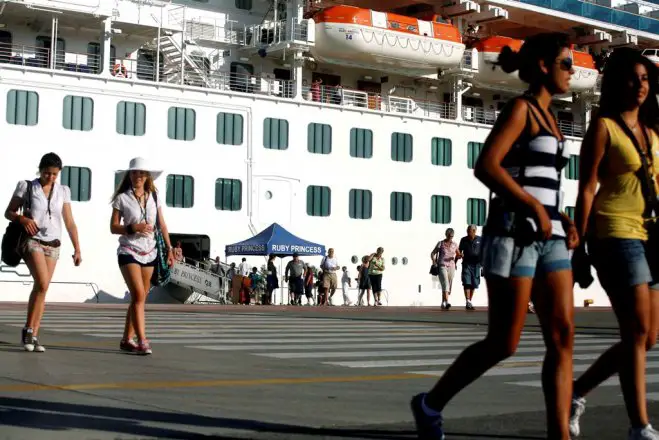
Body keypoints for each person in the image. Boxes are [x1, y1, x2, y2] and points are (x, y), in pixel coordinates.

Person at [411, 32, 578, 440]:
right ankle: (430, 404)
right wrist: (534, 208)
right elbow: (487, 166)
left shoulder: (553, 120)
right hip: (512, 233)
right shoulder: (521, 110)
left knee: (562, 336)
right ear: (543, 66)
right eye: (567, 64)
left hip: (550, 235)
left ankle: (559, 434)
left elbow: (544, 183)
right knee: (504, 342)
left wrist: (563, 218)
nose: (573, 72)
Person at [570, 48, 659, 440]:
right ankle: (639, 426)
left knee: (647, 337)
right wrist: (579, 244)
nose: (639, 86)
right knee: (637, 331)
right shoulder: (603, 127)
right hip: (614, 231)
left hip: (651, 235)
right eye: (632, 78)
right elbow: (587, 188)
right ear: (616, 82)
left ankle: (574, 392)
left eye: (644, 79)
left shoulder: (653, 132)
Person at [4, 152, 82, 352]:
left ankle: (33, 333)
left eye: (55, 174)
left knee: (42, 288)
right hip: (32, 240)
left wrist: (77, 248)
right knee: (42, 282)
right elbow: (8, 212)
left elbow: (69, 222)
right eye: (47, 173)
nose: (51, 178)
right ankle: (29, 331)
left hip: (54, 243)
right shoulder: (27, 187)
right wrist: (23, 220)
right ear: (40, 170)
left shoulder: (63, 191)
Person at [111, 157, 174, 355]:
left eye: (141, 173)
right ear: (129, 175)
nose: (138, 176)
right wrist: (133, 227)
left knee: (140, 298)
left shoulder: (154, 196)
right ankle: (142, 340)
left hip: (150, 251)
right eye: (134, 172)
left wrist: (170, 248)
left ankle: (126, 339)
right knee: (138, 295)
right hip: (128, 250)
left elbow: (161, 224)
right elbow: (113, 227)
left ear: (147, 177)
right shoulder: (122, 198)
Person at [431, 228, 461, 310]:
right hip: (442, 265)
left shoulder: (455, 244)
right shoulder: (441, 243)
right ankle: (446, 302)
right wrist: (434, 262)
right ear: (446, 235)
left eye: (452, 236)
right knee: (445, 283)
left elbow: (458, 254)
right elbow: (432, 253)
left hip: (451, 266)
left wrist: (460, 256)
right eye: (449, 236)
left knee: (448, 283)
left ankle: (443, 302)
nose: (451, 237)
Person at [458, 225, 482, 310]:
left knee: (474, 284)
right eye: (467, 230)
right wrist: (456, 260)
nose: (468, 232)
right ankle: (468, 301)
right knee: (466, 282)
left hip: (476, 265)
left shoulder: (480, 239)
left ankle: (469, 301)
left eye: (469, 231)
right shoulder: (463, 240)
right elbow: (459, 251)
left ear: (474, 231)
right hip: (466, 264)